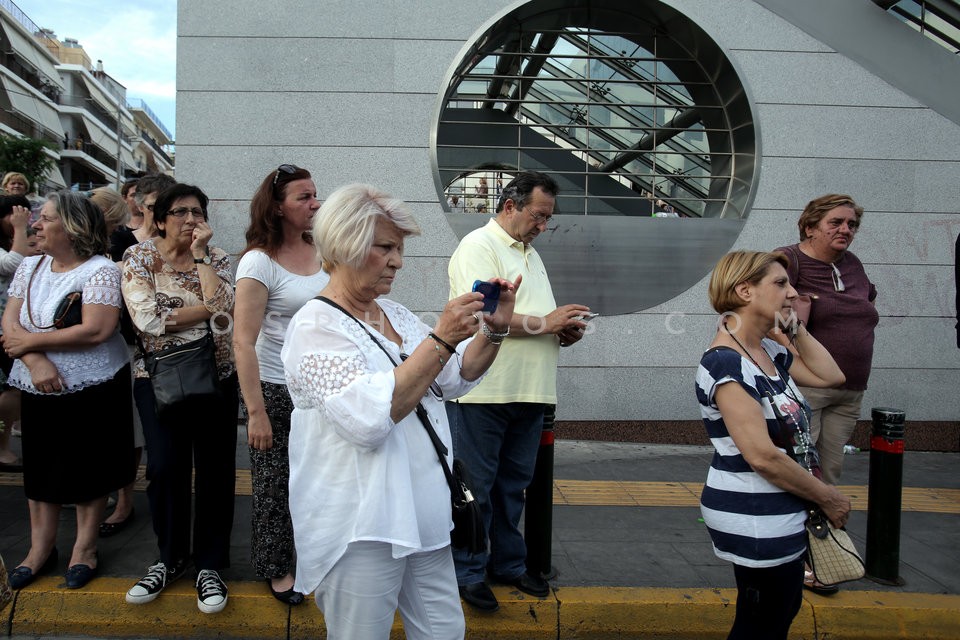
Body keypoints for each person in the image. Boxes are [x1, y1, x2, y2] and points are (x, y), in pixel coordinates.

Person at [281, 183, 518, 639]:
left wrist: (494, 331)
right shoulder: (314, 326)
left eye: (400, 248)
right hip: (361, 525)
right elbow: (368, 421)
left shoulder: (395, 313)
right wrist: (443, 338)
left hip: (422, 511)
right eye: (386, 247)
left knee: (444, 630)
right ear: (346, 244)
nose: (398, 261)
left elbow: (454, 377)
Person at [446, 171, 591, 612]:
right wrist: (546, 323)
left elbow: (530, 318)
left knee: (513, 489)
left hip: (530, 392)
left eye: (548, 219)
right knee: (477, 490)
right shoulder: (479, 246)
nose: (543, 226)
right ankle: (467, 571)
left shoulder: (529, 254)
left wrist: (561, 331)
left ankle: (507, 564)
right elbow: (487, 315)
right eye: (539, 216)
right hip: (485, 390)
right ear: (510, 205)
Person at [695, 250, 852, 640]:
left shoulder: (770, 352)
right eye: (780, 284)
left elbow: (831, 376)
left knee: (778, 612)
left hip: (781, 507)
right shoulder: (726, 364)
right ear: (744, 290)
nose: (792, 292)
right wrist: (828, 497)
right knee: (763, 622)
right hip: (754, 512)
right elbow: (762, 456)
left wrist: (795, 329)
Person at [1, 191, 134, 590]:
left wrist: (30, 344)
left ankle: (84, 549)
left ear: (74, 227)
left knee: (88, 468)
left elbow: (97, 329)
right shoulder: (30, 266)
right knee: (41, 466)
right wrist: (35, 360)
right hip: (37, 384)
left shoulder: (100, 269)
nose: (35, 225)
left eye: (46, 218)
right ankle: (40, 550)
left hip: (93, 384)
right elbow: (10, 324)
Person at [121, 183, 239, 614]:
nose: (191, 220)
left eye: (198, 212)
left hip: (216, 377)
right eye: (181, 212)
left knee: (216, 471)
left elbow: (227, 310)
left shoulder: (219, 258)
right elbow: (147, 319)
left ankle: (209, 564)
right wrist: (206, 310)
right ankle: (169, 558)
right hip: (158, 378)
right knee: (166, 468)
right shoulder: (139, 258)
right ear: (161, 218)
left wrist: (204, 261)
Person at [234, 165, 327, 605]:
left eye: (315, 195)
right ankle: (278, 568)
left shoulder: (326, 249)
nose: (315, 204)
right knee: (275, 482)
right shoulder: (258, 261)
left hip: (323, 386)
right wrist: (256, 411)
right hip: (274, 388)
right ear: (277, 207)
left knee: (321, 479)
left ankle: (317, 557)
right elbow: (242, 341)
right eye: (304, 197)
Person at [774, 195, 878, 486]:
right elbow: (768, 321)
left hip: (849, 391)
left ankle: (822, 530)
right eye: (835, 222)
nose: (846, 229)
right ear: (810, 227)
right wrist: (796, 366)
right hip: (808, 388)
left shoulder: (853, 264)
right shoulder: (787, 260)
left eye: (852, 224)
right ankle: (793, 530)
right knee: (801, 470)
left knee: (829, 474)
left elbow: (865, 305)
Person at [88, 187, 143, 537]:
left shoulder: (123, 242)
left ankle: (124, 499)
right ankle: (103, 493)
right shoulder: (90, 249)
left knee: (127, 428)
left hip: (123, 343)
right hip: (98, 349)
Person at [0, 195, 34, 471]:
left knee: (14, 387)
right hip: (4, 327)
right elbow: (14, 264)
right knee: (11, 388)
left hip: (14, 327)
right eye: (14, 216)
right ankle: (2, 447)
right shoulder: (12, 245)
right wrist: (21, 229)